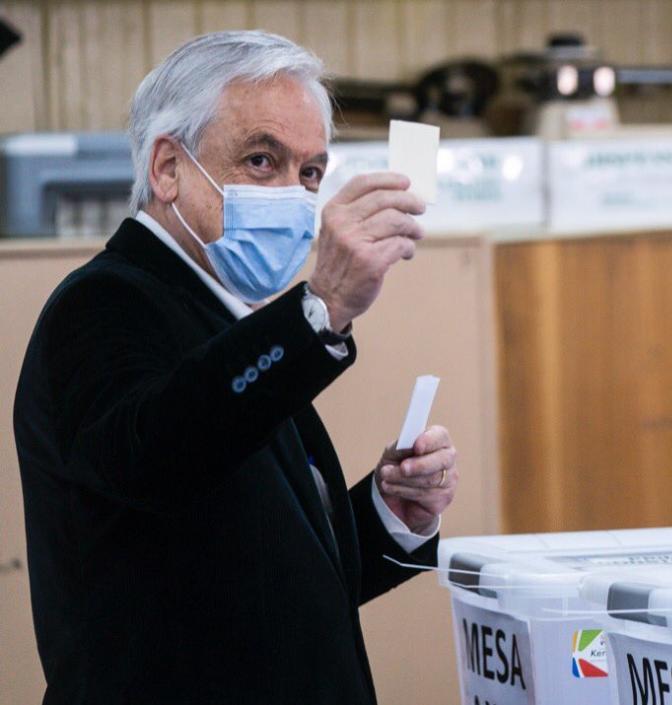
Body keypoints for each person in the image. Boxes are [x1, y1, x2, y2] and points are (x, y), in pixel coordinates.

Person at [12, 31, 458, 705]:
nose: (292, 193)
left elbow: (266, 573)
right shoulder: (103, 303)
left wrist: (390, 512)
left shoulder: (230, 317)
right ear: (167, 168)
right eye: (260, 159)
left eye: (310, 172)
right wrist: (320, 308)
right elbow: (157, 455)